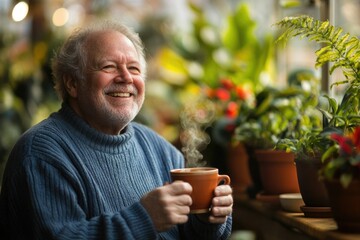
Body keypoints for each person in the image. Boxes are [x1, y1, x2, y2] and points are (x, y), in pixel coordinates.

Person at [0, 20, 233, 239]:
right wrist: (145, 218)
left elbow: (188, 234)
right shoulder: (41, 154)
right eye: (109, 66)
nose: (125, 78)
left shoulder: (161, 149)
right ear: (72, 83)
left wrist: (208, 219)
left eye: (133, 68)